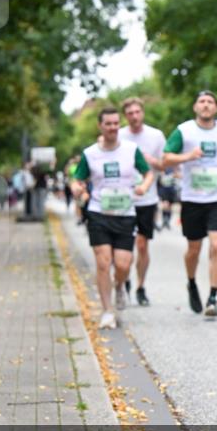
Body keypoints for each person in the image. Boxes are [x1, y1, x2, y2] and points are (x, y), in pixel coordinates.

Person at [70, 107, 154, 330]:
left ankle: (120, 287)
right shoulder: (90, 154)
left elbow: (148, 172)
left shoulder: (131, 150)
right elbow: (77, 178)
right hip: (98, 213)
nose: (113, 127)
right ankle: (107, 311)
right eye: (108, 124)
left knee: (123, 265)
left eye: (116, 123)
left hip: (125, 214)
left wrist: (144, 186)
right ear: (100, 126)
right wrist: (77, 188)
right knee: (103, 262)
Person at [162, 90, 217, 318]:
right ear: (195, 107)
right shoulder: (184, 131)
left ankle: (213, 297)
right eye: (201, 101)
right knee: (194, 249)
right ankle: (192, 282)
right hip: (192, 198)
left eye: (210, 102)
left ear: (215, 108)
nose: (206, 105)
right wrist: (187, 157)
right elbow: (166, 158)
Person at [119, 97, 168, 307]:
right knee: (125, 247)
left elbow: (166, 165)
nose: (134, 116)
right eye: (130, 113)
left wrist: (152, 161)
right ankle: (124, 280)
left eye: (137, 112)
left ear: (143, 113)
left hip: (147, 198)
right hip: (123, 199)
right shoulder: (119, 135)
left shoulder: (155, 135)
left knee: (142, 245)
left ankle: (140, 286)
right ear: (125, 116)